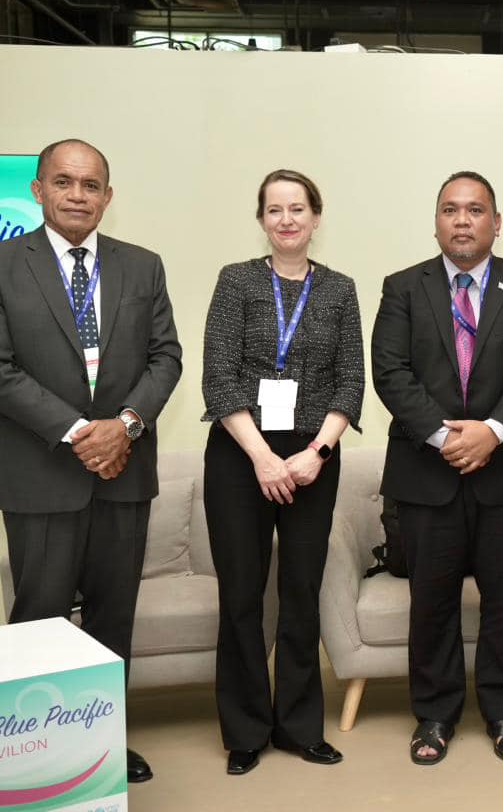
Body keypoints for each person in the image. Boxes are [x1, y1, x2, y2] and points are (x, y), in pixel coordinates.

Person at [0, 138, 183, 784]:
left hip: (125, 477)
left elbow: (165, 357)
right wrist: (85, 433)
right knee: (40, 617)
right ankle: (36, 759)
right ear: (38, 189)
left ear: (108, 197)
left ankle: (102, 744)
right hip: (40, 476)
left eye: (91, 186)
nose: (78, 195)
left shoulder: (142, 266)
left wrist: (127, 427)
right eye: (64, 182)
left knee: (114, 618)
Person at [372, 170, 503, 765]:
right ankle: (434, 715)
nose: (462, 220)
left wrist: (492, 433)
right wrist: (443, 436)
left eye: (475, 210)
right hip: (427, 474)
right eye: (450, 210)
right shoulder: (403, 286)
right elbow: (390, 370)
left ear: (495, 223)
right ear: (436, 222)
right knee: (432, 599)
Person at [201, 169, 364, 775]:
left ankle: (299, 726)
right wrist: (262, 457)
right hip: (241, 453)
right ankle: (245, 730)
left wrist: (316, 453)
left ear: (316, 218)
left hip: (311, 458)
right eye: (275, 209)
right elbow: (218, 376)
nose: (287, 219)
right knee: (242, 596)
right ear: (262, 219)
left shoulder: (341, 289)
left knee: (301, 593)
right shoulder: (236, 280)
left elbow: (352, 380)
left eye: (298, 208)